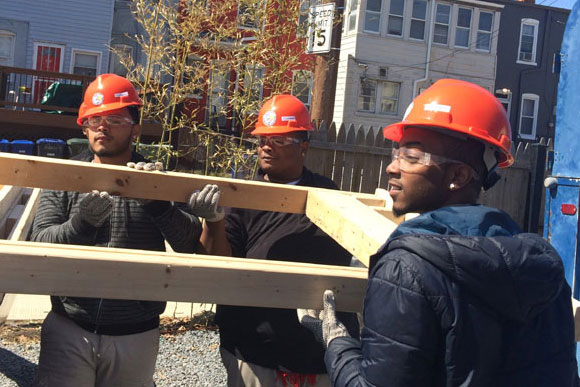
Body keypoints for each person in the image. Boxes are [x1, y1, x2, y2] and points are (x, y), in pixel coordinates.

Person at [299, 79, 579, 386]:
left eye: (412, 156)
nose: (393, 167)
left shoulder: (407, 269)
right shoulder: (543, 267)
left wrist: (336, 344)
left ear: (457, 176)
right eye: (396, 154)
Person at [30, 73, 218, 387]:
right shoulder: (63, 178)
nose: (102, 126)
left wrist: (156, 202)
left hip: (136, 333)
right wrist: (81, 224)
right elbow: (40, 243)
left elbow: (188, 243)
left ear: (135, 129)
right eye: (95, 119)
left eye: (115, 119)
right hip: (69, 326)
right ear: (84, 126)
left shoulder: (158, 180)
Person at [202, 94, 359, 387]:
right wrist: (213, 221)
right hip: (254, 347)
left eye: (280, 140)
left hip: (315, 350)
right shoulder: (241, 194)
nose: (266, 146)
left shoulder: (328, 195)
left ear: (304, 146)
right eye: (263, 138)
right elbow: (217, 263)